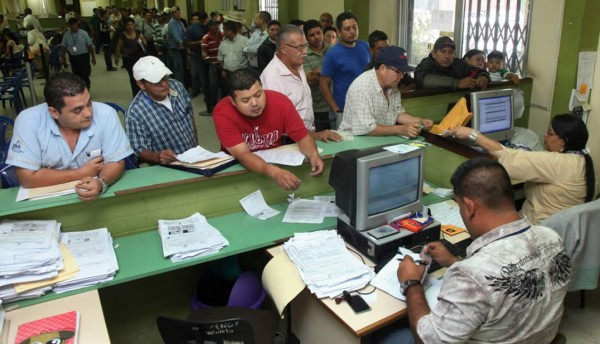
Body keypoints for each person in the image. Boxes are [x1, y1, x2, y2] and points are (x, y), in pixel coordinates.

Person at [376, 157, 571, 343]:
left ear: (469, 206)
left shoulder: (471, 274)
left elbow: (427, 340)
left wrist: (411, 283)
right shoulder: (552, 237)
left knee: (382, 335)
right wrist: (453, 262)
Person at [446, 113, 596, 224]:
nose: (545, 135)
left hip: (538, 230)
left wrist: (473, 134)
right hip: (559, 229)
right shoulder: (583, 160)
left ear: (564, 141)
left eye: (550, 133)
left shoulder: (559, 163)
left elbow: (507, 156)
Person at [5, 73, 132, 202]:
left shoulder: (106, 113)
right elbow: (27, 178)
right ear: (54, 112)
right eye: (77, 110)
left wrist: (100, 183)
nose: (88, 113)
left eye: (89, 103)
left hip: (96, 199)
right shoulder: (28, 121)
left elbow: (115, 161)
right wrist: (82, 173)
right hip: (46, 203)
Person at [213, 68, 324, 191]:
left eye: (258, 94)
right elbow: (243, 155)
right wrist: (273, 172)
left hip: (276, 163)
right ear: (232, 101)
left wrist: (314, 155)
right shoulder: (223, 112)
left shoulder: (280, 102)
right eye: (245, 100)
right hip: (238, 172)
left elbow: (302, 137)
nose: (254, 103)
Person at [260, 25, 342, 143]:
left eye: (305, 45)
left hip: (307, 135)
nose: (305, 51)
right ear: (283, 49)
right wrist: (316, 135)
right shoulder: (272, 78)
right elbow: (280, 125)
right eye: (300, 47)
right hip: (287, 142)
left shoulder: (297, 65)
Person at [340, 46, 433, 137]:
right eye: (398, 71)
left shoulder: (392, 86)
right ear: (383, 68)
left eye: (403, 72)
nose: (402, 77)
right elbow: (366, 128)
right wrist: (400, 129)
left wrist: (420, 121)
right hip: (353, 143)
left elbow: (397, 113)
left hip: (380, 140)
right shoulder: (362, 88)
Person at [126, 56, 198, 165]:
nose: (164, 84)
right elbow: (139, 149)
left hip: (193, 157)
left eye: (165, 78)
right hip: (168, 166)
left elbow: (190, 116)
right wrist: (158, 156)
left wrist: (196, 148)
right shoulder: (135, 113)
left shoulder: (177, 87)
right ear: (141, 84)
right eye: (156, 82)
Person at [320, 12, 370, 114]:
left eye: (355, 27)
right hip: (345, 109)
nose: (352, 31)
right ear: (338, 32)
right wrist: (336, 110)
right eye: (347, 29)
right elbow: (323, 85)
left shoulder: (366, 47)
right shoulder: (332, 54)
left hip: (367, 107)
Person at [414, 36, 489, 90]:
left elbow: (476, 71)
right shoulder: (427, 63)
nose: (447, 56)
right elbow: (422, 80)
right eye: (442, 51)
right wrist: (457, 83)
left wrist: (483, 77)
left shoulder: (458, 63)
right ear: (434, 54)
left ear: (454, 54)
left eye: (450, 52)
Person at [303, 20, 331, 131]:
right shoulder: (303, 53)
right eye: (312, 35)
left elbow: (339, 74)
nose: (316, 37)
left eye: (318, 33)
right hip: (315, 106)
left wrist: (318, 71)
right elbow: (309, 80)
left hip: (334, 104)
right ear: (306, 37)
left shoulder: (333, 50)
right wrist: (330, 74)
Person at [114, 17, 147, 97]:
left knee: (140, 76)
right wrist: (116, 57)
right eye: (128, 25)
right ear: (125, 26)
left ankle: (142, 93)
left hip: (138, 58)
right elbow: (119, 46)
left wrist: (142, 42)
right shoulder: (123, 35)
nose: (130, 26)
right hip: (128, 58)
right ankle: (135, 95)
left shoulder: (138, 33)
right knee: (133, 78)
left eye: (131, 24)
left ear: (134, 25)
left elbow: (145, 42)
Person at [61, 18, 96, 89]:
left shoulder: (84, 33)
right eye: (72, 27)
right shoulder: (67, 35)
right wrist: (63, 58)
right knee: (76, 76)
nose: (74, 29)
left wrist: (93, 57)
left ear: (77, 25)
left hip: (84, 57)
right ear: (69, 27)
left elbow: (90, 46)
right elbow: (63, 47)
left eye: (75, 26)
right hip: (73, 58)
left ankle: (86, 90)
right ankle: (80, 90)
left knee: (85, 75)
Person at [217, 19, 249, 95]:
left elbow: (250, 58)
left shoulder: (245, 41)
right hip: (227, 75)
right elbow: (220, 57)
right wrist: (223, 69)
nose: (223, 32)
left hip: (241, 75)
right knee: (227, 95)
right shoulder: (223, 43)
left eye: (224, 30)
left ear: (230, 31)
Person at [201, 18, 224, 113]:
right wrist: (208, 60)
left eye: (217, 25)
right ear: (209, 27)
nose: (216, 27)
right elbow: (204, 53)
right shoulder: (206, 38)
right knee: (213, 85)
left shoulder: (222, 35)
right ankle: (213, 105)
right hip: (213, 65)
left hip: (222, 64)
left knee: (223, 85)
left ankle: (223, 104)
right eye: (214, 25)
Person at [188, 11, 209, 98]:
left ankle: (207, 92)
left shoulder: (208, 27)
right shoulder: (192, 29)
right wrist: (200, 42)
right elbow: (189, 43)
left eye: (205, 20)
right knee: (196, 73)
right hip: (196, 54)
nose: (204, 23)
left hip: (208, 54)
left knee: (206, 74)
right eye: (202, 21)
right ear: (199, 20)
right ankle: (195, 89)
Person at [167, 6, 187, 84]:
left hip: (181, 49)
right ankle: (179, 88)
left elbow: (184, 33)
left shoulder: (180, 23)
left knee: (181, 69)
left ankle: (182, 86)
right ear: (172, 14)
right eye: (176, 13)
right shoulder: (172, 23)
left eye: (179, 13)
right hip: (175, 50)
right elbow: (176, 36)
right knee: (178, 70)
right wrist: (181, 42)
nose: (178, 14)